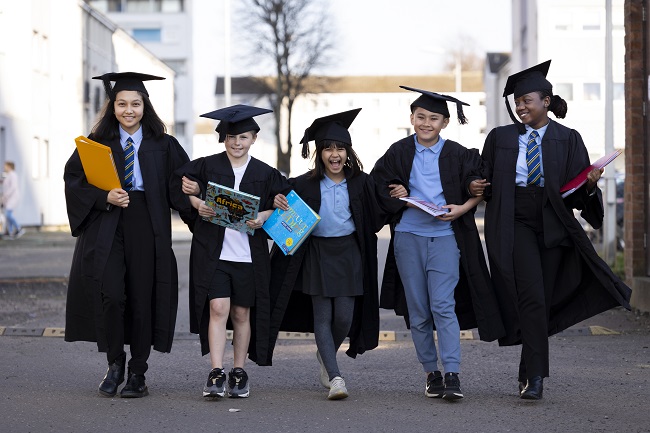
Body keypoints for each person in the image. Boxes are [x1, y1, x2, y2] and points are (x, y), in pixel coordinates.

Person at [468, 60, 632, 400]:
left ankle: (528, 372)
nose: (520, 106)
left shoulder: (567, 138)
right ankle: (538, 378)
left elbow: (577, 192)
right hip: (515, 220)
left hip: (553, 218)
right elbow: (484, 176)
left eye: (527, 100)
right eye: (517, 101)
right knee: (531, 295)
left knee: (540, 299)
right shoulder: (500, 138)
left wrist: (588, 186)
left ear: (546, 101)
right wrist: (475, 184)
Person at [370, 86, 505, 401]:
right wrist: (397, 196)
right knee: (418, 309)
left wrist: (464, 205)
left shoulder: (459, 153)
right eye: (420, 117)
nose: (426, 123)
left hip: (445, 238)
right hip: (408, 238)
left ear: (445, 122)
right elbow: (378, 184)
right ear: (412, 118)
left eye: (433, 118)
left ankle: (453, 373)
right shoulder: (398, 152)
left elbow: (478, 187)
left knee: (443, 305)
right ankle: (431, 373)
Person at [63, 72, 190, 398]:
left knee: (142, 299)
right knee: (113, 296)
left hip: (148, 228)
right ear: (113, 107)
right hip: (108, 228)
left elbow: (182, 187)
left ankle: (138, 373)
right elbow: (74, 180)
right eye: (122, 104)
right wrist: (104, 197)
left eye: (135, 103)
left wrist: (203, 202)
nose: (129, 110)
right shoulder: (96, 145)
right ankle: (115, 362)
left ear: (145, 105)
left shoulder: (165, 146)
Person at [170, 104, 289, 399]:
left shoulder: (266, 173)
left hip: (249, 256)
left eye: (244, 137)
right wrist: (197, 204)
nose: (237, 143)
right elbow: (177, 187)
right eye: (232, 137)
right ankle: (216, 371)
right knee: (218, 307)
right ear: (223, 138)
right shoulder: (205, 166)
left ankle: (238, 370)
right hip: (214, 253)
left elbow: (285, 204)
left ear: (254, 139)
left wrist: (264, 216)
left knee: (241, 312)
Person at [269, 109, 386, 400]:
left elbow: (380, 211)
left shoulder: (361, 182)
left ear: (348, 152)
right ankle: (335, 377)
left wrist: (397, 195)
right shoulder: (303, 184)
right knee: (322, 316)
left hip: (348, 252)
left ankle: (326, 357)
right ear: (319, 153)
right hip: (317, 253)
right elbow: (275, 197)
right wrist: (277, 199)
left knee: (343, 318)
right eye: (328, 148)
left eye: (340, 148)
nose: (335, 154)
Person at [1, 161, 25, 239]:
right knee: (8, 215)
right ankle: (10, 232)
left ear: (9, 166)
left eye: (5, 166)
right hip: (8, 198)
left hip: (13, 197)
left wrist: (5, 196)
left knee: (8, 214)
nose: (4, 167)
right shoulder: (8, 175)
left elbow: (13, 187)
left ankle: (19, 228)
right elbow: (5, 184)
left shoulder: (13, 174)